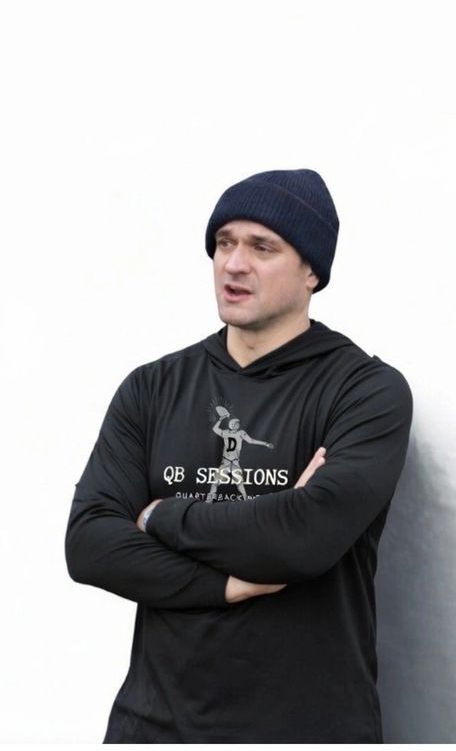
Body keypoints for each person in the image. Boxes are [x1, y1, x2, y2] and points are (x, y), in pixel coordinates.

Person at [65, 168, 413, 743]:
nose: (233, 264)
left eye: (262, 247)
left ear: (311, 271)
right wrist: (226, 583)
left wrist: (158, 516)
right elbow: (89, 544)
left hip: (306, 730)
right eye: (224, 243)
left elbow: (302, 538)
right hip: (154, 727)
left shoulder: (364, 390)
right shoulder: (153, 387)